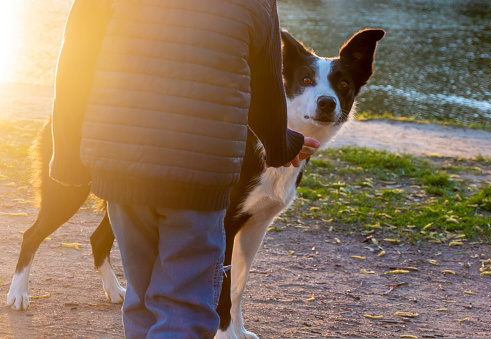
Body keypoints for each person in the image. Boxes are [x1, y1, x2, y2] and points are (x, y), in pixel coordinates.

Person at [49, 0, 319, 337]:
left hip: (120, 160)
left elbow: (76, 60)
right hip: (201, 169)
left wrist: (68, 157)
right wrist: (280, 146)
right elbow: (264, 84)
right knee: (185, 305)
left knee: (143, 296)